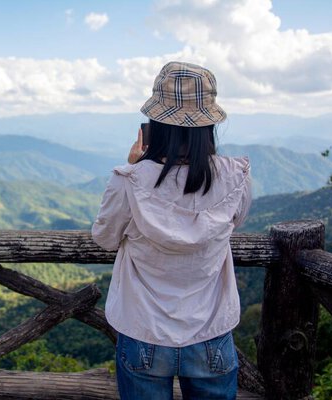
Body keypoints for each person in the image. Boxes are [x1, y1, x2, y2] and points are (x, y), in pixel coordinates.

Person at [91, 61, 252, 400]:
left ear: (156, 125)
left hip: (143, 330)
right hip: (211, 332)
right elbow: (234, 223)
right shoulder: (236, 177)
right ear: (208, 124)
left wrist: (135, 165)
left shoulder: (130, 180)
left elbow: (104, 238)